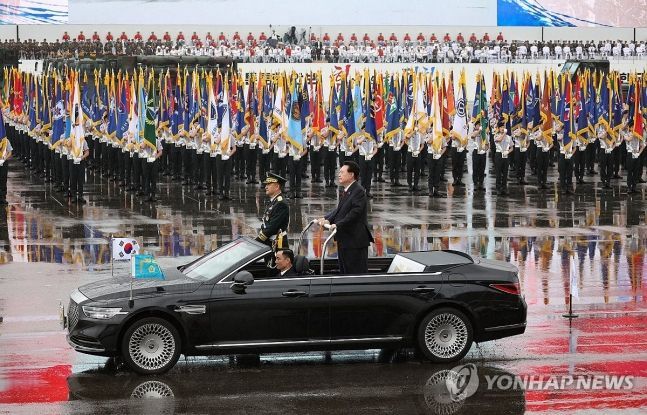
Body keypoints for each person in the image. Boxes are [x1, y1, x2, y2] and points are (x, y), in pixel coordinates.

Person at [317, 161, 373, 274]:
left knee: (354, 275)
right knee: (344, 272)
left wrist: (337, 225)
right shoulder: (348, 190)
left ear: (351, 175)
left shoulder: (359, 191)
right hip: (345, 240)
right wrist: (327, 218)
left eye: (342, 172)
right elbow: (340, 209)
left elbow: (354, 213)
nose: (339, 174)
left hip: (355, 242)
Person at [256, 173, 290, 249]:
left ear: (277, 186)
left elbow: (272, 227)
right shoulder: (273, 201)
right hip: (269, 241)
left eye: (269, 184)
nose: (266, 187)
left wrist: (257, 240)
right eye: (266, 184)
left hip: (277, 243)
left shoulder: (281, 203)